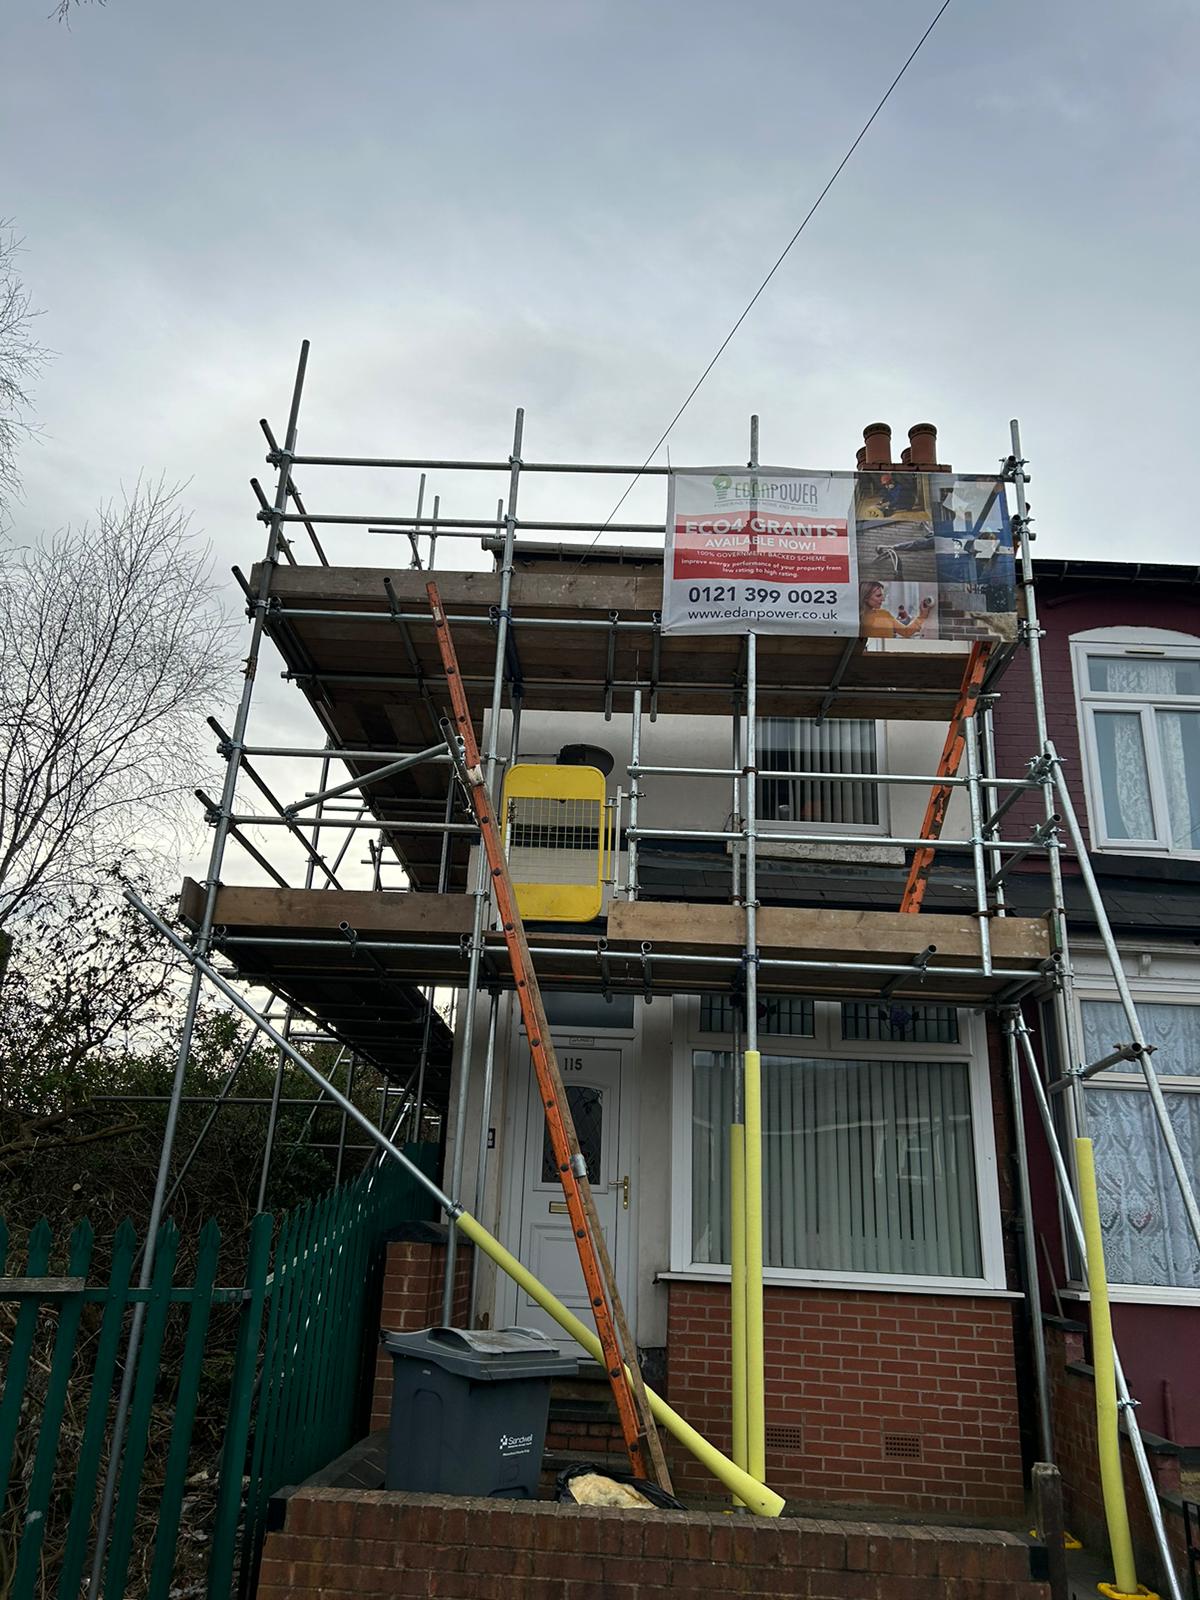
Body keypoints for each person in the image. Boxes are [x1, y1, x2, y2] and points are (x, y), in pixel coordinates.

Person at [859, 580, 934, 639]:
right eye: (878, 596)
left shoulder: (884, 614)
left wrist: (922, 616)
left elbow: (906, 632)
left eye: (882, 595)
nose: (883, 599)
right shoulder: (858, 618)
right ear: (866, 597)